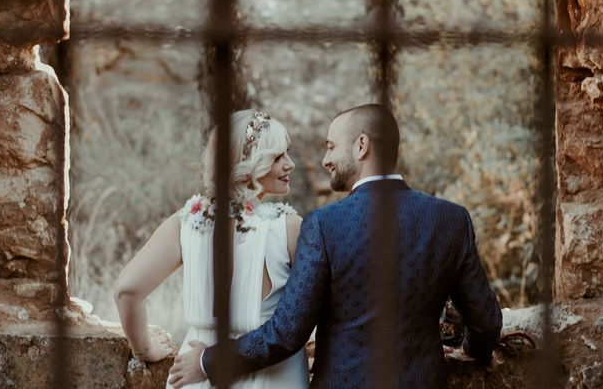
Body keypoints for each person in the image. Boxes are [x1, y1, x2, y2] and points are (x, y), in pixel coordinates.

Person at [176, 103, 503, 388]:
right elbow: (486, 322)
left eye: (331, 146)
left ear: (362, 145)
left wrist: (208, 360)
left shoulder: (323, 224)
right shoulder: (450, 220)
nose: (325, 160)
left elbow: (287, 333)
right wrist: (475, 351)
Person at [113, 109, 310, 389]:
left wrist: (145, 349)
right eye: (277, 157)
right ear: (249, 164)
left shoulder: (186, 222)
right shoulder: (289, 229)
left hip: (194, 373)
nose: (290, 164)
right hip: (273, 375)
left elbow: (127, 290)